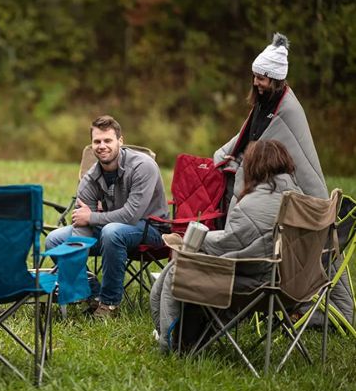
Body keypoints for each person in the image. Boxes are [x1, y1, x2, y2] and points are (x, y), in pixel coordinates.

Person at [151, 140, 301, 353]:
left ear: (253, 165)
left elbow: (227, 243)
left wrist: (192, 241)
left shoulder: (253, 203)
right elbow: (242, 238)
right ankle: (190, 337)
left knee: (178, 270)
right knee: (184, 264)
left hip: (259, 282)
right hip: (292, 281)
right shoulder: (298, 196)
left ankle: (170, 344)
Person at [45, 115, 169, 317]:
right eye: (97, 141)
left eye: (108, 140)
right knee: (55, 239)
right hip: (111, 228)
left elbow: (130, 215)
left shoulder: (143, 166)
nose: (102, 146)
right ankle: (92, 294)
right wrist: (75, 259)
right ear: (92, 144)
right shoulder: (91, 178)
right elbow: (82, 225)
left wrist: (91, 217)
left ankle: (109, 304)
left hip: (151, 228)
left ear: (120, 141)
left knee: (112, 232)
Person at [214, 32, 327, 213]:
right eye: (254, 76)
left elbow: (296, 156)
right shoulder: (264, 100)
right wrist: (233, 153)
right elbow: (251, 134)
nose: (255, 82)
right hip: (257, 168)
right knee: (226, 174)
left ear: (275, 79)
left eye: (261, 78)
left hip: (273, 179)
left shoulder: (288, 109)